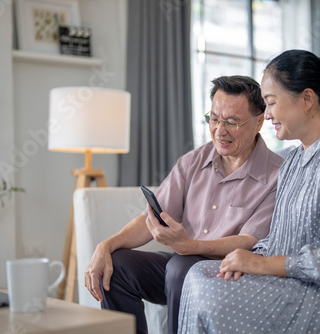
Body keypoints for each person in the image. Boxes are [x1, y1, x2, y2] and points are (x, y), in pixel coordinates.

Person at [178, 50, 320, 334]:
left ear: (307, 99)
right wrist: (247, 258)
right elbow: (279, 236)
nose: (267, 113)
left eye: (271, 102)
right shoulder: (294, 161)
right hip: (298, 279)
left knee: (214, 295)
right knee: (199, 273)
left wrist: (261, 264)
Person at [84, 75, 284, 334]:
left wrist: (190, 247)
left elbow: (249, 241)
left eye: (231, 122)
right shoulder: (194, 160)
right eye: (214, 118)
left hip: (232, 274)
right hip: (181, 266)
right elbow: (151, 219)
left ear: (259, 122)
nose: (219, 130)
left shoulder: (278, 175)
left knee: (181, 267)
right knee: (117, 265)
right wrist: (106, 246)